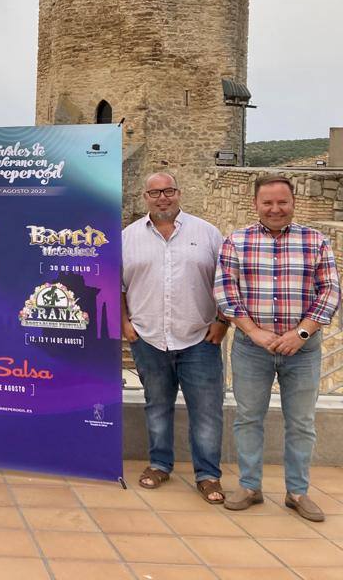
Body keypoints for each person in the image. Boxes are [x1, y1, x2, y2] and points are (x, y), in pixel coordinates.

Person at [216, 174, 340, 522]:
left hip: (303, 349)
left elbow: (330, 291)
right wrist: (253, 331)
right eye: (267, 202)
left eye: (282, 202)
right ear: (255, 204)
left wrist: (300, 334)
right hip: (251, 347)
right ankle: (250, 486)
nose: (275, 208)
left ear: (293, 203)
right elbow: (225, 293)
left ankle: (297, 492)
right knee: (248, 417)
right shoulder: (236, 242)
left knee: (301, 422)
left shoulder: (316, 241)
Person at [121, 172, 227, 503]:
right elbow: (116, 286)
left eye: (168, 191)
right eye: (154, 193)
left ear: (178, 193)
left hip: (199, 337)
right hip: (148, 337)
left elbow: (227, 282)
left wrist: (223, 321)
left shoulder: (208, 233)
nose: (162, 198)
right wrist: (125, 324)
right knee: (156, 405)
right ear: (145, 197)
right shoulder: (128, 237)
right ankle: (159, 465)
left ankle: (208, 475)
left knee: (207, 410)